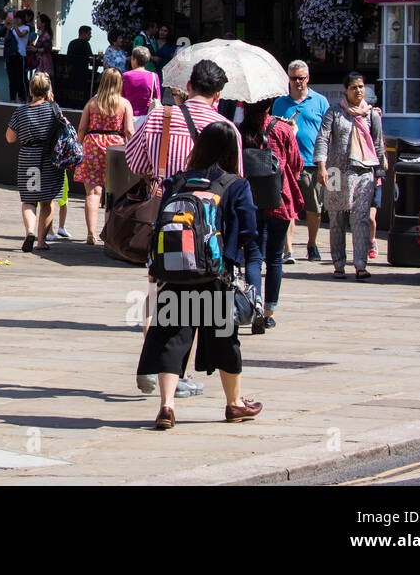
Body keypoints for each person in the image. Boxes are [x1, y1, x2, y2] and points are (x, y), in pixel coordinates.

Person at [137, 122, 263, 431]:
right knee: (224, 340)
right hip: (215, 276)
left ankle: (167, 407)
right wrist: (256, 288)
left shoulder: (177, 182)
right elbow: (249, 237)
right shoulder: (235, 184)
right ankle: (234, 405)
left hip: (174, 273)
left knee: (171, 338)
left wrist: (155, 273)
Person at [313, 71, 386, 281]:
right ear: (346, 90)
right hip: (336, 171)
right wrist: (321, 167)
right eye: (354, 87)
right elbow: (323, 139)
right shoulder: (334, 112)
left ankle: (361, 265)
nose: (358, 91)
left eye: (361, 87)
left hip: (364, 171)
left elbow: (379, 145)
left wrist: (380, 173)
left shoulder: (372, 115)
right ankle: (338, 263)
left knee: (361, 218)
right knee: (336, 218)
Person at [239, 99, 303, 332]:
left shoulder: (240, 130)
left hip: (251, 202)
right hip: (280, 200)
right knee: (275, 258)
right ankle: (268, 312)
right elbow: (297, 164)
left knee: (253, 258)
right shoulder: (284, 129)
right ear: (269, 105)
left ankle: (253, 307)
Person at [125, 59, 242, 180]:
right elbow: (236, 179)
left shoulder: (157, 117)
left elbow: (136, 166)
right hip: (212, 198)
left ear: (188, 86)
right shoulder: (229, 129)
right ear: (217, 95)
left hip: (165, 197)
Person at [271, 60, 331, 264]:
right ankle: (288, 250)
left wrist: (324, 165)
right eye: (294, 78)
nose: (298, 82)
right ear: (288, 79)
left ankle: (312, 244)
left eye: (301, 78)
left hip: (311, 163)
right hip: (287, 164)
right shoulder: (280, 103)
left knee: (314, 209)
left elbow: (327, 134)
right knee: (288, 209)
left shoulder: (320, 101)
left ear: (308, 78)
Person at [6, 71, 66, 252]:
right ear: (48, 90)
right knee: (48, 201)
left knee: (29, 201)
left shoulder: (21, 111)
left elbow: (10, 137)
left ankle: (29, 232)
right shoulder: (54, 109)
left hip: (29, 159)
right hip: (50, 159)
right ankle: (41, 241)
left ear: (31, 89)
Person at [76, 67, 134, 246]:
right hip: (115, 147)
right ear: (119, 84)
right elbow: (129, 130)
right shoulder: (124, 104)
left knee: (93, 193)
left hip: (92, 145)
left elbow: (82, 128)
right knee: (116, 194)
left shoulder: (92, 103)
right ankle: (111, 233)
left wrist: (79, 145)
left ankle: (91, 233)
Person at [121, 45, 163, 130]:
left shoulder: (125, 76)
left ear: (134, 59)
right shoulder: (154, 76)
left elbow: (121, 97)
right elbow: (158, 98)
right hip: (147, 118)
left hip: (127, 117)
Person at [4, 10, 30, 103]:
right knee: (12, 78)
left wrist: (14, 26)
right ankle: (12, 98)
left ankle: (23, 98)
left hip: (20, 55)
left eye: (18, 18)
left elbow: (21, 35)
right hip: (11, 55)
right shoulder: (12, 29)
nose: (17, 20)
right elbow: (6, 39)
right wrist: (8, 28)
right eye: (16, 18)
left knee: (20, 78)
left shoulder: (26, 28)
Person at [27, 13, 55, 80]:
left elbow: (46, 49)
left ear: (43, 24)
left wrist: (35, 50)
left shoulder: (46, 35)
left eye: (39, 21)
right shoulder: (41, 35)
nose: (37, 23)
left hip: (44, 64)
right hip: (40, 63)